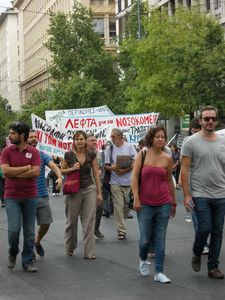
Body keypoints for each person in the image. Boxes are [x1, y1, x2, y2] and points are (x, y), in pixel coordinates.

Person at [181, 105, 225, 279]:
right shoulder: (190, 141)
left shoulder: (223, 141)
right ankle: (197, 252)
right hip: (200, 193)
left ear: (217, 120)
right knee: (205, 227)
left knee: (217, 231)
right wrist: (186, 195)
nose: (210, 122)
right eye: (206, 119)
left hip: (221, 193)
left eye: (213, 119)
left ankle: (213, 267)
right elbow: (184, 170)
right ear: (200, 121)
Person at [132, 125, 176, 283]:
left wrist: (173, 202)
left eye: (163, 137)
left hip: (163, 202)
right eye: (157, 136)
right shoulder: (142, 155)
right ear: (151, 138)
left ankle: (159, 272)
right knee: (145, 239)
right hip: (145, 203)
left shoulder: (167, 158)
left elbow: (169, 181)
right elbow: (134, 178)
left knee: (160, 238)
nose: (160, 139)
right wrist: (136, 198)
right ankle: (143, 258)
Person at [1, 122, 40, 272]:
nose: (10, 136)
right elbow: (5, 172)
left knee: (29, 232)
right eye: (10, 133)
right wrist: (25, 168)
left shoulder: (34, 152)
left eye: (13, 133)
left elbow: (35, 172)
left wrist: (14, 172)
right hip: (11, 197)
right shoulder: (6, 151)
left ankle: (27, 261)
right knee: (14, 230)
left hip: (30, 196)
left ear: (22, 135)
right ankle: (12, 252)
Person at [61, 130, 102, 259]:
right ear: (74, 141)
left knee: (89, 220)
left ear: (85, 140)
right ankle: (70, 246)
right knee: (72, 221)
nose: (79, 141)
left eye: (81, 139)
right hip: (74, 190)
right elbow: (61, 171)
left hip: (89, 188)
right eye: (77, 139)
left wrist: (99, 192)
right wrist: (72, 168)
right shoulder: (68, 155)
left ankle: (89, 252)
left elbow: (96, 173)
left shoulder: (91, 154)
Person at [27, 130, 63, 258]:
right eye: (30, 137)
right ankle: (30, 251)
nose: (33, 139)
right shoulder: (20, 155)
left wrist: (59, 177)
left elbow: (53, 165)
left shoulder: (42, 155)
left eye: (35, 137)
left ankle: (37, 241)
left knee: (46, 222)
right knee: (29, 225)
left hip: (42, 194)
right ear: (25, 138)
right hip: (26, 196)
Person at [104, 128, 137, 240]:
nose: (111, 138)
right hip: (115, 181)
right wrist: (111, 168)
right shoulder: (109, 149)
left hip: (128, 181)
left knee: (127, 205)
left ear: (120, 136)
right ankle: (121, 231)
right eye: (111, 136)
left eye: (113, 136)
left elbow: (135, 162)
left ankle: (121, 222)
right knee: (118, 206)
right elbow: (106, 166)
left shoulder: (129, 147)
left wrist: (125, 170)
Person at [86, 134, 105, 239]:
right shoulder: (82, 154)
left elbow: (101, 166)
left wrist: (100, 170)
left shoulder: (98, 154)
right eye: (92, 140)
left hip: (97, 184)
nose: (94, 142)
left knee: (100, 207)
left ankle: (95, 228)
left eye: (95, 140)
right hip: (86, 185)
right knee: (88, 210)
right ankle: (88, 230)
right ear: (86, 142)